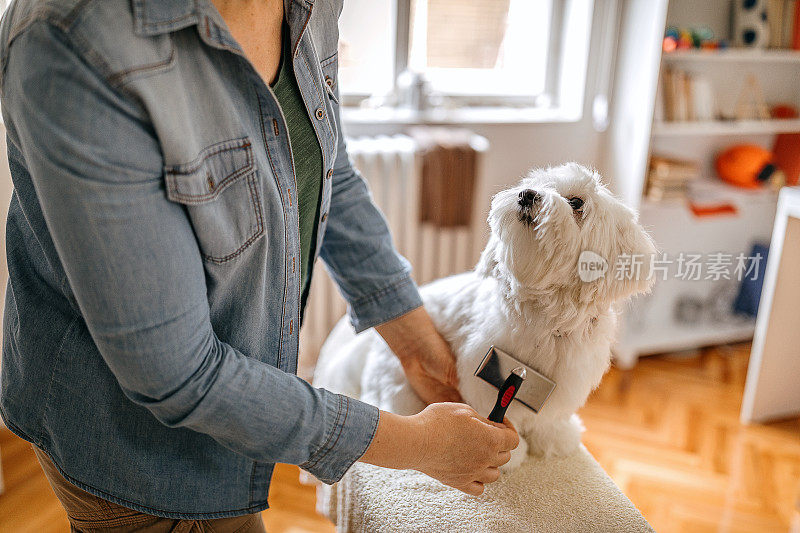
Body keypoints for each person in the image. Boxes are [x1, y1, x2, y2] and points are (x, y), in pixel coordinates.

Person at [0, 0, 519, 530]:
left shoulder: (311, 7)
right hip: (129, 447)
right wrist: (416, 445)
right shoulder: (70, 38)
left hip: (239, 419)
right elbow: (178, 375)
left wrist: (417, 346)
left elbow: (324, 167)